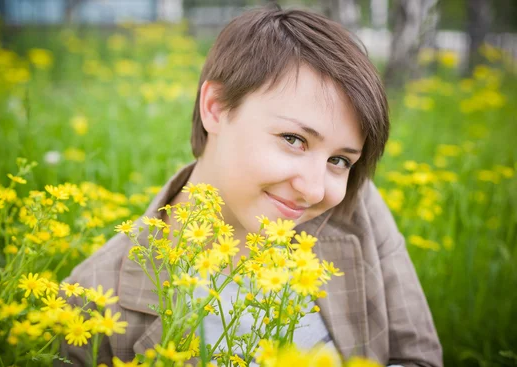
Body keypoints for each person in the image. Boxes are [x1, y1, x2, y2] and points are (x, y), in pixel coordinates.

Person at [57, 4, 443, 367]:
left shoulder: (357, 206)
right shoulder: (89, 301)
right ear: (217, 107)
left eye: (339, 160)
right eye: (293, 139)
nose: (313, 190)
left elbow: (418, 356)